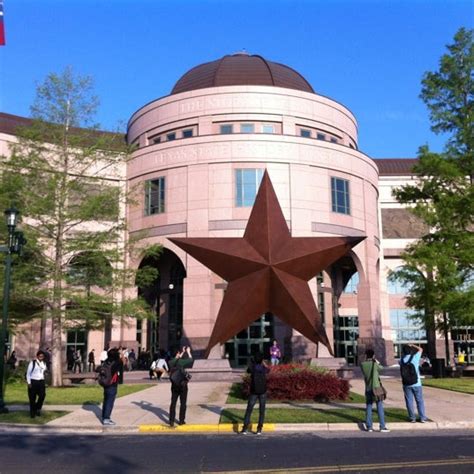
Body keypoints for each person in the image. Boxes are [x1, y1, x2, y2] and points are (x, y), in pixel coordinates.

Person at [360, 348, 390, 432]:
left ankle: (369, 426)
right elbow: (382, 368)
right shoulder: (375, 364)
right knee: (379, 406)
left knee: (369, 407)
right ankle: (382, 426)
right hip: (376, 388)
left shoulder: (363, 364)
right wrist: (376, 361)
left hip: (368, 388)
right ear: (373, 355)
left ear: (366, 355)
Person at [241, 352, 270, 435]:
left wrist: (252, 362)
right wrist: (263, 363)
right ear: (261, 360)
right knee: (262, 411)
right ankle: (259, 429)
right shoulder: (263, 368)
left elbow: (247, 370)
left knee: (249, 409)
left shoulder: (253, 368)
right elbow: (268, 370)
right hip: (263, 392)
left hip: (253, 392)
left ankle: (245, 428)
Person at [400, 344, 428, 423]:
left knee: (409, 401)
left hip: (406, 384)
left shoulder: (401, 360)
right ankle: (422, 417)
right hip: (416, 383)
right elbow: (420, 349)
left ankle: (412, 418)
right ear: (410, 351)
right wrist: (412, 345)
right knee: (419, 401)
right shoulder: (415, 357)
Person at [168, 346, 193, 427]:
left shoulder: (170, 362)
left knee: (173, 403)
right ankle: (181, 421)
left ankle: (171, 421)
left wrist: (181, 352)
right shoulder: (181, 362)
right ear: (177, 353)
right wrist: (188, 352)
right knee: (183, 403)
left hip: (174, 385)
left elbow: (176, 360)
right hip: (182, 385)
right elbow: (190, 360)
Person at [98, 348, 122, 426]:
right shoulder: (117, 362)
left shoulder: (106, 361)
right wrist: (122, 354)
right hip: (112, 384)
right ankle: (106, 419)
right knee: (110, 401)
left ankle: (104, 416)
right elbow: (122, 363)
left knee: (106, 400)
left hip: (105, 383)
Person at [26, 350, 47, 418]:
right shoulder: (33, 363)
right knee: (32, 398)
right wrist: (29, 383)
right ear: (37, 356)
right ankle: (33, 413)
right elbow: (28, 374)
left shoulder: (44, 363)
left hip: (41, 381)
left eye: (42, 356)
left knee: (42, 395)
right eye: (40, 356)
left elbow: (43, 371)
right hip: (33, 381)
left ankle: (38, 408)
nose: (41, 357)